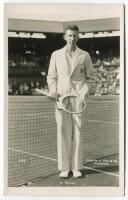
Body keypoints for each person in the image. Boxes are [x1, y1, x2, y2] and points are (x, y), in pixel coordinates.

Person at [47, 24, 97, 178]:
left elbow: (92, 79)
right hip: (62, 99)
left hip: (78, 100)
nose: (72, 38)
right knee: (63, 132)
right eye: (69, 35)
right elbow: (51, 77)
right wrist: (53, 90)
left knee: (78, 133)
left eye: (75, 35)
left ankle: (76, 167)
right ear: (64, 37)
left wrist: (83, 94)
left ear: (78, 37)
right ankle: (64, 168)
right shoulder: (56, 54)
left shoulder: (85, 55)